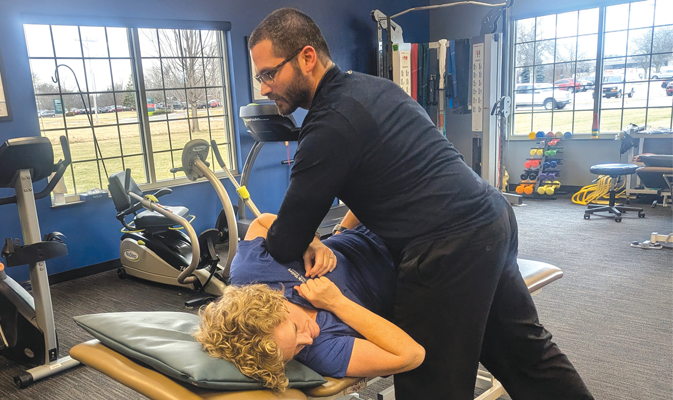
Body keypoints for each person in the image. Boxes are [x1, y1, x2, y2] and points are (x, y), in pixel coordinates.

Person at [247, 8, 593, 400]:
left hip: (447, 249)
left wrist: (308, 237)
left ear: (307, 58)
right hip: (490, 216)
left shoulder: (329, 127)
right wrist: (330, 232)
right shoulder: (374, 90)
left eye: (268, 74)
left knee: (430, 387)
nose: (264, 88)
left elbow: (284, 241)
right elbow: (396, 181)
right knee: (526, 356)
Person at [194, 213, 424, 392]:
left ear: (273, 303)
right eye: (297, 348)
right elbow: (411, 355)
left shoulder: (251, 272)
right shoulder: (320, 352)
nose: (309, 338)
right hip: (416, 261)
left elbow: (263, 223)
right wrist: (337, 303)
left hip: (369, 227)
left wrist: (311, 242)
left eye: (295, 329)